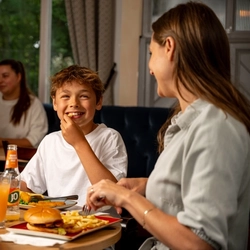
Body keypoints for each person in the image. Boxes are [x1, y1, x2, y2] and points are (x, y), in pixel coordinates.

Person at [85, 2, 250, 250]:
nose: (150, 68)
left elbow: (200, 243)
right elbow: (197, 189)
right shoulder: (195, 121)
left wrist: (127, 198)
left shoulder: (217, 127)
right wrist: (146, 186)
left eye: (152, 53)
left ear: (169, 48)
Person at [20, 65, 128, 206]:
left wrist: (79, 142)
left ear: (99, 101)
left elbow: (113, 195)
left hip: (101, 221)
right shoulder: (50, 142)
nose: (74, 104)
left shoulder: (110, 138)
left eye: (83, 96)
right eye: (65, 96)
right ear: (55, 103)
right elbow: (26, 186)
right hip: (59, 223)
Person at [0, 59, 48, 148]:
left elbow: (33, 140)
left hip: (20, 158)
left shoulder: (33, 104)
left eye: (5, 76)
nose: (0, 80)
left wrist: (2, 142)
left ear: (18, 77)